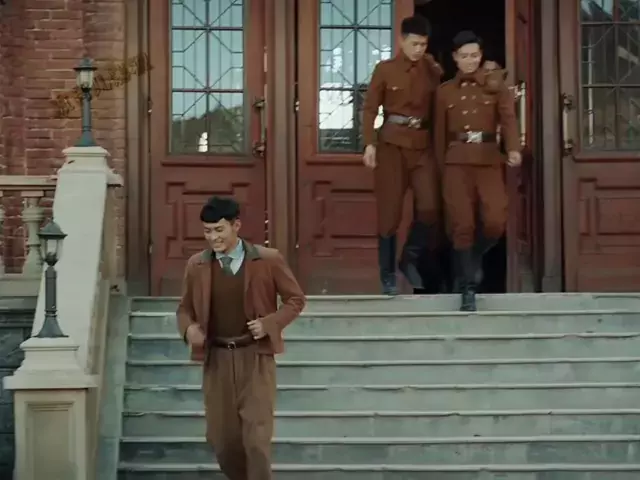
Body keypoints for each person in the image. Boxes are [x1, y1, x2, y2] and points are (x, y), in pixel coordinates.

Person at [176, 196, 306, 480]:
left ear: (236, 225)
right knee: (222, 441)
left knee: (256, 441)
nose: (213, 237)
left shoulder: (267, 259)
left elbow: (295, 299)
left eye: (219, 230)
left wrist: (270, 323)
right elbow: (184, 309)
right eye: (207, 231)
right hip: (217, 359)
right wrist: (189, 330)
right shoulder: (197, 265)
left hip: (255, 358)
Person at [433, 30, 521, 311]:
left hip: (488, 160)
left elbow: (508, 119)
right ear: (455, 58)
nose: (470, 61)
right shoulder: (444, 91)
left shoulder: (496, 86)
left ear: (480, 56)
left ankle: (471, 260)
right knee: (462, 225)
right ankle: (467, 288)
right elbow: (438, 135)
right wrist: (440, 170)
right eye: (465, 56)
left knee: (495, 220)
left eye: (475, 55)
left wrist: (513, 148)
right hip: (456, 163)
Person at [362, 15, 444, 295]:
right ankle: (387, 275)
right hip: (391, 145)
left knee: (430, 207)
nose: (419, 49)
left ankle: (408, 257)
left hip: (422, 146)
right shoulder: (385, 70)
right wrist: (369, 143)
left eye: (423, 44)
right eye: (414, 44)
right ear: (402, 41)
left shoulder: (431, 70)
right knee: (389, 213)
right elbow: (370, 108)